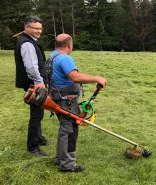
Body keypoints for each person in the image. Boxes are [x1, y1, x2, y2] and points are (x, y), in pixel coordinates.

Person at [48, 34, 106, 173]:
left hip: (56, 97)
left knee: (64, 128)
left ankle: (59, 158)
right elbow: (75, 77)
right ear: (69, 45)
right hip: (65, 100)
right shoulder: (64, 58)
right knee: (70, 131)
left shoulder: (52, 56)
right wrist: (96, 78)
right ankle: (68, 164)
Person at [14, 16, 49, 156]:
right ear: (27, 28)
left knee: (38, 112)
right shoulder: (27, 44)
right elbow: (31, 67)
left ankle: (39, 138)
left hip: (33, 82)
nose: (39, 31)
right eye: (36, 28)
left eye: (40, 28)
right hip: (34, 83)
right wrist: (39, 82)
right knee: (36, 114)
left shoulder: (28, 41)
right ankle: (33, 147)